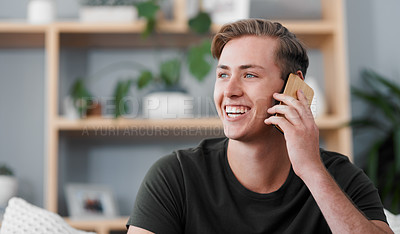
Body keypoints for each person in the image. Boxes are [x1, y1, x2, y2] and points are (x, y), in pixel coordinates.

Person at [127, 19, 393, 233]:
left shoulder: (340, 177)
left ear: (293, 87)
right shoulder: (175, 176)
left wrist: (312, 170)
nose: (229, 91)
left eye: (249, 75)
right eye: (223, 74)